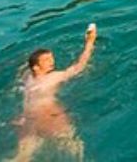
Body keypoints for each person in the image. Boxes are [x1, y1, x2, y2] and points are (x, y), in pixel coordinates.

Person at [14, 23, 97, 161]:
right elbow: (79, 67)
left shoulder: (27, 76)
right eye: (47, 60)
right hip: (48, 113)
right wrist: (89, 43)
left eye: (51, 58)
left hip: (26, 117)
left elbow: (24, 69)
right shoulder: (53, 77)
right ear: (36, 67)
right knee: (74, 146)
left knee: (23, 156)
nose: (52, 61)